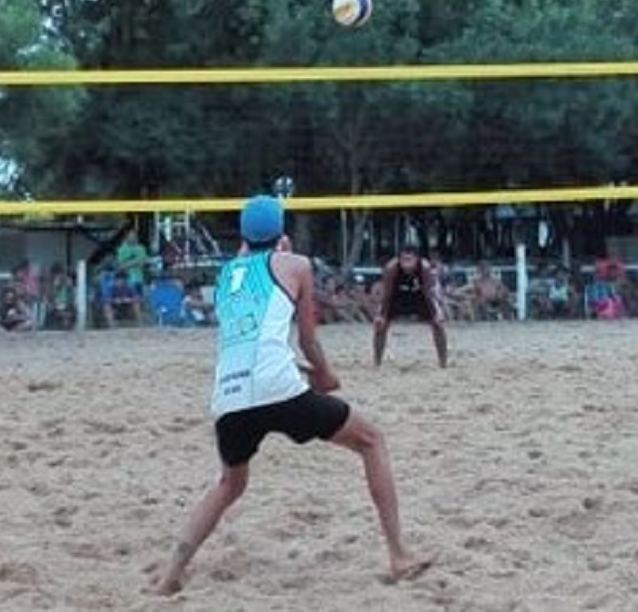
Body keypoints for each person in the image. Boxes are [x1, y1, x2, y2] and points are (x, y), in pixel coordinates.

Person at [153, 196, 430, 596]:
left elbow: (255, 342)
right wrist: (325, 374)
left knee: (229, 484)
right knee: (372, 440)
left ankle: (171, 574)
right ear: (282, 233)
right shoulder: (295, 264)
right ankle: (399, 554)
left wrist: (303, 373)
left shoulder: (227, 273)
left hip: (229, 396)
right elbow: (307, 340)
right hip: (278, 388)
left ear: (244, 237)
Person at [373, 245, 448, 368]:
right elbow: (387, 294)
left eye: (409, 260)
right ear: (399, 259)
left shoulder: (425, 268)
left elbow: (430, 294)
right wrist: (381, 315)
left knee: (438, 325)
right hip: (397, 296)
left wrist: (437, 313)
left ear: (417, 259)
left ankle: (443, 362)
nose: (406, 263)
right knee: (380, 325)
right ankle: (377, 362)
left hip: (420, 296)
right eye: (403, 259)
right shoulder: (391, 268)